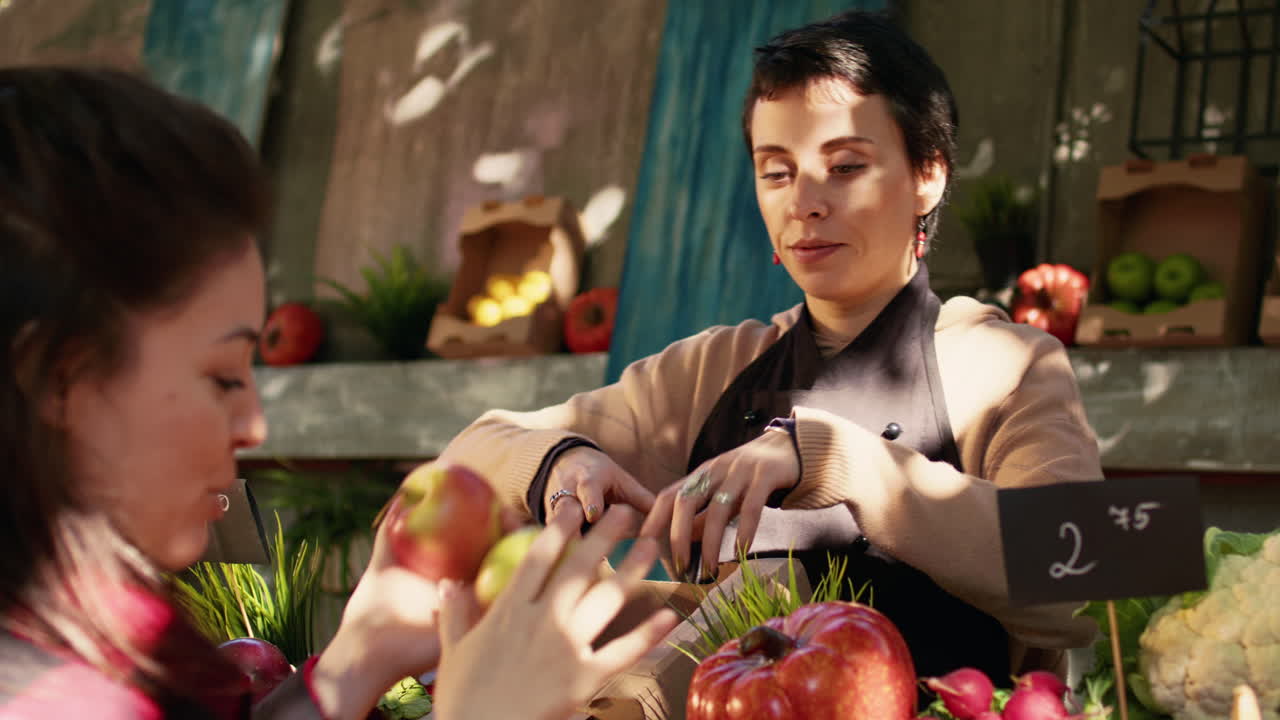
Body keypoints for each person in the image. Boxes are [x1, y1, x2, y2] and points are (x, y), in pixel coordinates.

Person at [438, 9, 1103, 683]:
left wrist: (838, 462)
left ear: (926, 174)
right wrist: (559, 461)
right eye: (777, 172)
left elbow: (1094, 573)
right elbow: (467, 455)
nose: (804, 202)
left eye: (846, 166)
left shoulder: (1005, 365)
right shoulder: (713, 369)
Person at [0, 66, 676, 720]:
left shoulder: (114, 637)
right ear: (63, 377)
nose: (253, 425)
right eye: (223, 378)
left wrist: (361, 655)